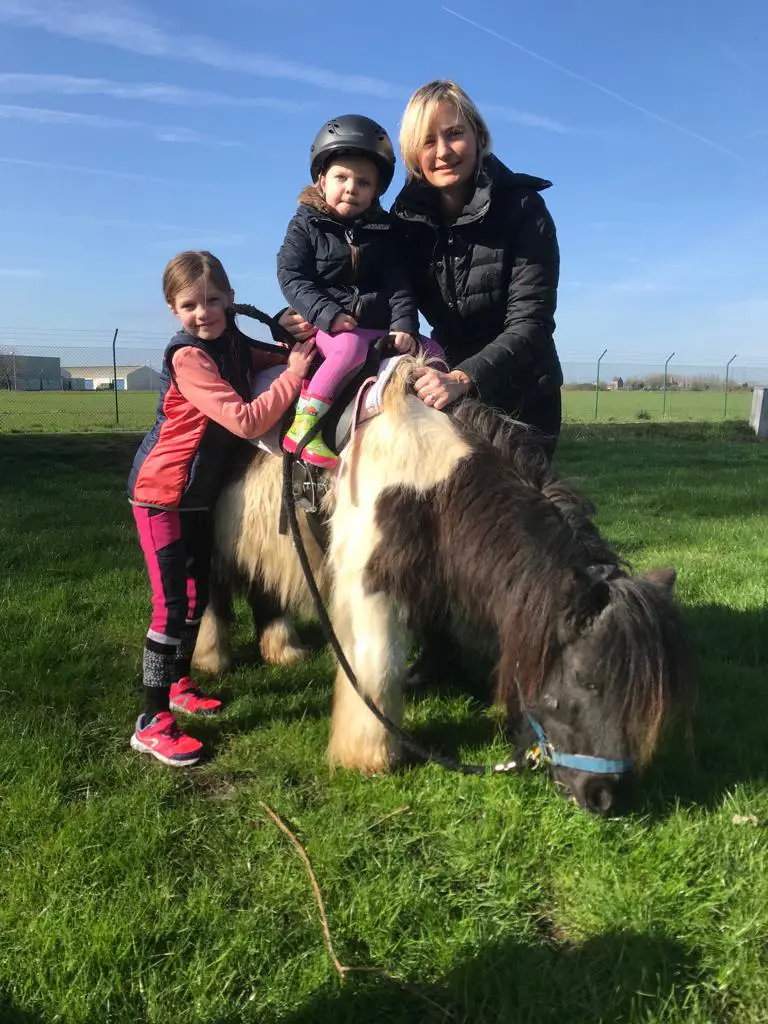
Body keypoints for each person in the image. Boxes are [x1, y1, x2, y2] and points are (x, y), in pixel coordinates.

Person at [281, 82, 563, 459]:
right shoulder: (404, 219)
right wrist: (304, 315)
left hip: (522, 392)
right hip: (443, 383)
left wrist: (464, 377)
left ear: (478, 136)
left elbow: (532, 322)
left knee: (520, 512)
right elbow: (369, 286)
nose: (443, 151)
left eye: (454, 134)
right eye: (428, 141)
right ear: (414, 153)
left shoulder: (524, 209)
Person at [127, 250, 315, 767]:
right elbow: (249, 420)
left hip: (197, 497)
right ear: (173, 309)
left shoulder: (231, 340)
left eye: (213, 300)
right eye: (190, 304)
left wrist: (295, 348)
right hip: (162, 497)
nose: (203, 312)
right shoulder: (189, 357)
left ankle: (181, 682)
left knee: (195, 596)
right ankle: (151, 720)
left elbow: (266, 357)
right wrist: (293, 376)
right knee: (170, 609)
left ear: (231, 300)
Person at [276, 114, 430, 470]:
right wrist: (326, 314)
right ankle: (305, 425)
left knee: (432, 350)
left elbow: (398, 283)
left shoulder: (383, 232)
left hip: (377, 325)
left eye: (364, 182)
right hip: (335, 327)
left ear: (376, 191)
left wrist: (405, 324)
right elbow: (291, 274)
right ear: (321, 180)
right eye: (341, 177)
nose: (351, 188)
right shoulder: (306, 223)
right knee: (349, 349)